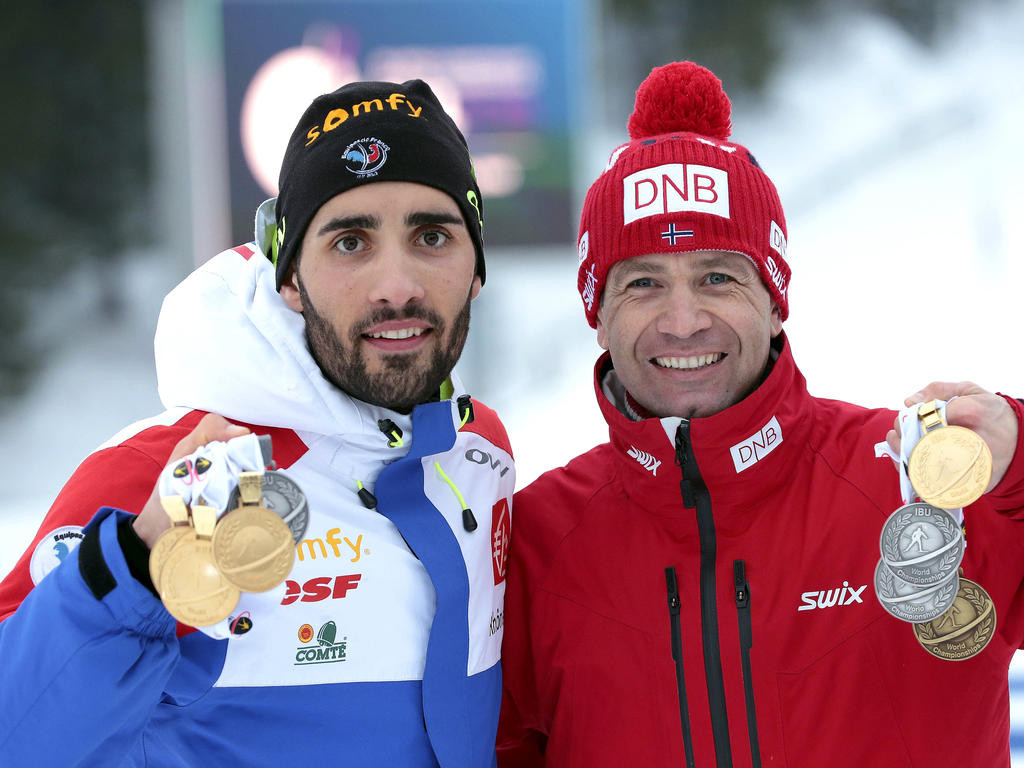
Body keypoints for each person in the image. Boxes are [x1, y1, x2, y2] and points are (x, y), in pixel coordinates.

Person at [496, 61, 1023, 767]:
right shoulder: (535, 543)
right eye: (643, 283)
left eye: (719, 276)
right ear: (597, 317)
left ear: (775, 301)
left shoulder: (924, 484)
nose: (683, 322)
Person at [0, 78, 514, 768]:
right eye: (350, 242)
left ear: (476, 265)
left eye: (431, 235)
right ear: (290, 277)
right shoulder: (169, 467)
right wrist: (133, 566)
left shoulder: (479, 454)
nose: (397, 285)